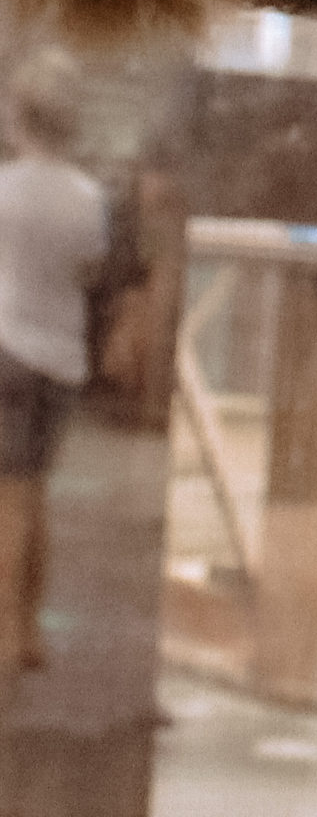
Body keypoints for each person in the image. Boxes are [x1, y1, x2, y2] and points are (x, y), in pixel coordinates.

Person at [0, 48, 107, 716]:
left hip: (5, 347)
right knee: (35, 495)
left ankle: (7, 631)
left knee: (9, 501)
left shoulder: (4, 189)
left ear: (18, 115)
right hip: (62, 359)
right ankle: (31, 627)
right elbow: (91, 275)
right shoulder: (89, 198)